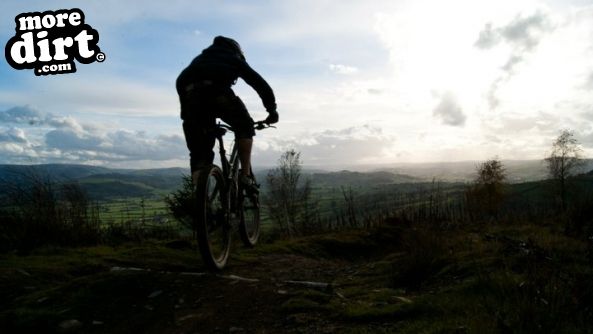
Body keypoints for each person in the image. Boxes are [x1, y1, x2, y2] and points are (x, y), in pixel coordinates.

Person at [176, 36, 278, 188]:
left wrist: (188, 116)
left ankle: (200, 200)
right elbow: (259, 83)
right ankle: (245, 176)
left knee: (199, 154)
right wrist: (272, 110)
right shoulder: (232, 58)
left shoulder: (198, 61)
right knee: (245, 127)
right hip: (217, 93)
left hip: (191, 99)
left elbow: (180, 82)